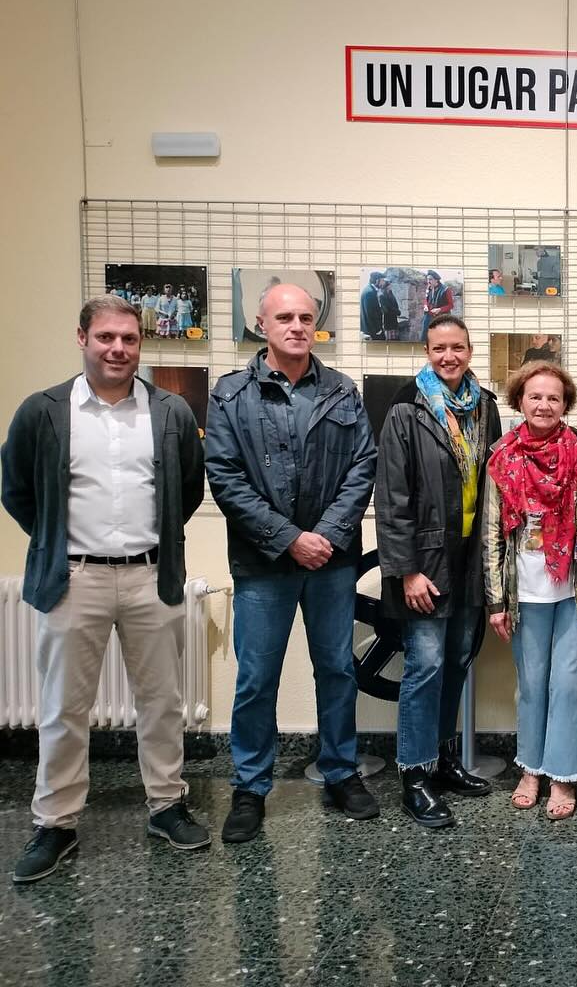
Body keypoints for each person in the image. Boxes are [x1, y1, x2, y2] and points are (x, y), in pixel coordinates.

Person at [1, 295, 209, 882]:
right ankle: (55, 823)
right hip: (74, 579)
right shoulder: (43, 410)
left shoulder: (169, 411)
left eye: (129, 339)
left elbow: (188, 488)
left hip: (151, 577)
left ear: (141, 343)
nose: (118, 349)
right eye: (106, 338)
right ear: (82, 339)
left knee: (161, 702)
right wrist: (54, 542)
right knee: (63, 708)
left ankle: (166, 805)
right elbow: (16, 488)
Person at [205, 283, 379, 842]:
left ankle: (341, 772)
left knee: (338, 670)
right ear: (262, 324)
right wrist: (288, 539)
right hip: (263, 564)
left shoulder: (342, 391)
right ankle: (250, 787)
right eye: (285, 317)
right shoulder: (231, 394)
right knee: (257, 678)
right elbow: (225, 476)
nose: (297, 326)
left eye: (306, 317)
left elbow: (363, 465)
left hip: (331, 561)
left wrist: (323, 536)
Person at [375, 315, 502, 829]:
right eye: (438, 348)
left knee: (456, 662)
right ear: (426, 352)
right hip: (425, 562)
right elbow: (392, 495)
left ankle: (444, 760)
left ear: (470, 351)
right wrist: (406, 571)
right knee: (425, 666)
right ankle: (414, 776)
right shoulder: (406, 406)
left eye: (457, 347)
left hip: (470, 559)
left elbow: (496, 481)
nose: (449, 356)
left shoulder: (486, 405)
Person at [483, 361, 577, 821]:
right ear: (520, 401)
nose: (544, 405)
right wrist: (496, 600)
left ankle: (563, 776)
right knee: (531, 685)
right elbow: (492, 534)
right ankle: (530, 769)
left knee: (569, 686)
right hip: (524, 592)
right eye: (535, 396)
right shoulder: (500, 455)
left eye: (554, 397)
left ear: (565, 404)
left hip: (574, 591)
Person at [419, 270, 455, 343]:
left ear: (436, 280)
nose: (428, 281)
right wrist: (425, 306)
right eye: (427, 279)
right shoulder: (429, 288)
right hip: (429, 315)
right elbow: (426, 300)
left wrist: (440, 309)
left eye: (430, 279)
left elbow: (451, 305)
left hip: (441, 317)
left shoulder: (446, 290)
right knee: (424, 335)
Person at [359, 271, 387, 339]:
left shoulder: (370, 290)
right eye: (382, 280)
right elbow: (370, 314)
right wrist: (378, 330)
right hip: (373, 332)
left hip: (373, 331)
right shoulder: (370, 292)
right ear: (377, 281)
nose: (383, 283)